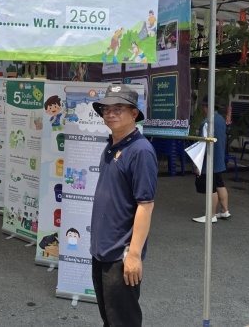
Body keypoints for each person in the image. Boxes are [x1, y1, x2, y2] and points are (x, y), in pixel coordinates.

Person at [90, 84, 157, 326]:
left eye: (118, 108)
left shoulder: (140, 151)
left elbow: (145, 205)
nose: (110, 113)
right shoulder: (112, 145)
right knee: (109, 319)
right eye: (106, 109)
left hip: (121, 254)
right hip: (102, 249)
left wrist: (134, 255)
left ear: (134, 113)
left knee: (123, 321)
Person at [193, 95, 230, 223]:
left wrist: (197, 164)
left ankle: (211, 215)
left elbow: (202, 144)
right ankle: (224, 210)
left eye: (203, 106)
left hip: (209, 158)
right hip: (219, 156)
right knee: (220, 183)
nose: (202, 109)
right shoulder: (221, 119)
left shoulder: (207, 122)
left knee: (211, 187)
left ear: (207, 106)